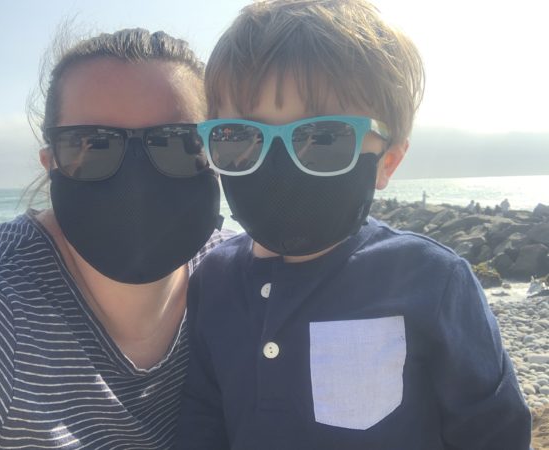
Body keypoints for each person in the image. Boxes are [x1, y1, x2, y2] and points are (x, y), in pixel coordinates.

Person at [176, 1, 532, 449]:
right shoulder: (213, 280)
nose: (277, 162)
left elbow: (494, 432)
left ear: (388, 161)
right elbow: (203, 418)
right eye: (240, 136)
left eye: (324, 137)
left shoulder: (431, 280)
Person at [0, 28, 230, 449]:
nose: (136, 181)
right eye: (93, 144)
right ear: (50, 163)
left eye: (175, 141)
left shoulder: (239, 282)